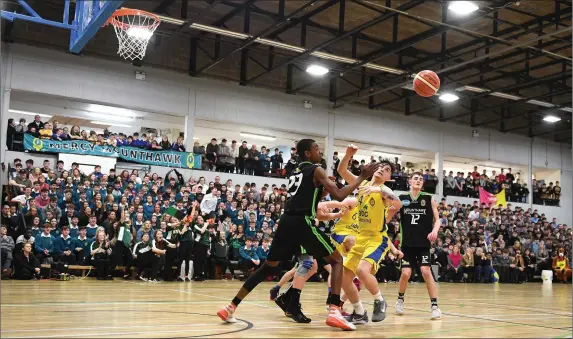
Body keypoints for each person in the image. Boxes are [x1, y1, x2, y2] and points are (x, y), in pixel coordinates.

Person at [217, 139, 378, 331]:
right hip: (302, 222)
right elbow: (340, 195)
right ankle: (335, 310)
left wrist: (322, 188)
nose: (320, 151)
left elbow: (315, 197)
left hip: (286, 222)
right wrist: (362, 177)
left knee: (269, 267)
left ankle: (231, 307)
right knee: (337, 261)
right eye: (317, 149)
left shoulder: (296, 172)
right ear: (308, 153)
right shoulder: (316, 169)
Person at [336, 144, 402, 325]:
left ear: (389, 177)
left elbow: (398, 204)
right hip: (360, 237)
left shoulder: (385, 193)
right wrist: (348, 155)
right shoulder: (362, 184)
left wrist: (379, 190)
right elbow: (341, 170)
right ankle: (359, 312)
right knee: (344, 278)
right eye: (380, 167)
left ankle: (380, 301)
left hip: (377, 239)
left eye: (387, 170)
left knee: (361, 271)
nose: (382, 170)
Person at [395, 172, 442, 319]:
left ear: (423, 184)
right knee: (405, 274)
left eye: (421, 179)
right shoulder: (401, 199)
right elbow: (390, 213)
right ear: (409, 181)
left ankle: (434, 306)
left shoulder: (429, 199)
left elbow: (438, 220)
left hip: (423, 244)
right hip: (407, 244)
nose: (418, 181)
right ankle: (400, 300)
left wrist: (434, 231)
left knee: (426, 272)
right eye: (416, 178)